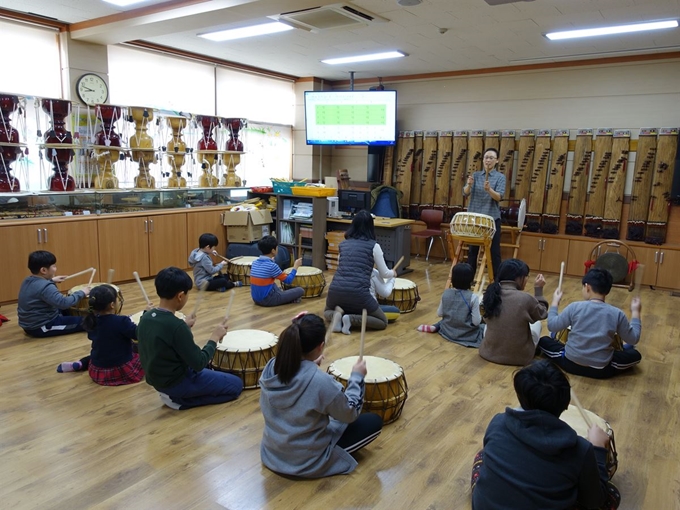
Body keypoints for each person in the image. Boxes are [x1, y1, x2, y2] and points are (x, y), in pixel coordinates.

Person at [470, 360, 620, 510]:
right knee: (611, 494)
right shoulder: (581, 449)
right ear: (566, 404)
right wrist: (598, 449)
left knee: (481, 456)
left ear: (520, 395)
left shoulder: (498, 422)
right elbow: (594, 501)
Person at [259, 312, 382, 478]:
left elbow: (297, 376)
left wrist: (309, 364)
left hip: (273, 453)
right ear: (320, 346)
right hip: (306, 463)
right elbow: (350, 413)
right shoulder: (321, 382)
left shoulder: (272, 365)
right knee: (373, 421)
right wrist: (357, 376)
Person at [137, 266, 243, 409]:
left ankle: (176, 395)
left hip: (159, 380)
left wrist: (184, 325)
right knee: (236, 385)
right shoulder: (176, 327)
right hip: (177, 383)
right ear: (180, 296)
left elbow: (164, 338)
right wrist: (214, 337)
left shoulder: (146, 317)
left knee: (214, 372)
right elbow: (198, 363)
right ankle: (180, 401)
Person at [538, 267, 642, 379]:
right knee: (635, 355)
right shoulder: (616, 313)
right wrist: (636, 311)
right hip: (601, 370)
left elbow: (552, 326)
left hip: (571, 364)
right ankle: (625, 349)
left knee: (544, 341)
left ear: (587, 287)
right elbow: (634, 338)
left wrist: (555, 302)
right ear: (607, 290)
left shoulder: (575, 307)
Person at [324, 210, 396, 334]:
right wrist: (393, 273)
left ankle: (337, 318)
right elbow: (384, 273)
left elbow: (342, 266)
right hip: (359, 294)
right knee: (382, 321)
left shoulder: (343, 244)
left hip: (335, 291)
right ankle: (351, 319)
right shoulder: (374, 246)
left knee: (326, 312)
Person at [57, 284, 145, 385]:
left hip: (97, 370)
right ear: (112, 305)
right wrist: (144, 317)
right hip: (120, 370)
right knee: (140, 351)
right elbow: (138, 334)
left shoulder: (91, 320)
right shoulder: (122, 321)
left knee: (102, 352)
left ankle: (81, 363)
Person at [479, 258, 548, 366]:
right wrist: (538, 290)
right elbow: (542, 313)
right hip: (520, 358)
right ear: (519, 278)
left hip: (487, 353)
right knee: (537, 324)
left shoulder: (489, 294)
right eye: (526, 276)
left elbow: (484, 318)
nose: (527, 279)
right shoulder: (525, 298)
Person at [17, 250, 90, 338]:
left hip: (30, 322)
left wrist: (52, 280)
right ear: (43, 270)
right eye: (54, 266)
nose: (55, 269)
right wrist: (82, 292)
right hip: (41, 326)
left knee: (69, 310)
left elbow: (40, 289)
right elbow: (64, 303)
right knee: (87, 321)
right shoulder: (46, 287)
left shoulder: (27, 280)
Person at [417, 262, 484, 347]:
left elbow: (439, 313)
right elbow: (476, 322)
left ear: (453, 278)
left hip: (447, 330)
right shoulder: (473, 297)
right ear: (471, 280)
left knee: (443, 321)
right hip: (466, 334)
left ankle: (435, 327)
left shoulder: (446, 293)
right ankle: (436, 327)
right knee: (483, 326)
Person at [463, 147, 506, 279]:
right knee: (472, 252)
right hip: (475, 218)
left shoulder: (500, 177)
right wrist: (469, 185)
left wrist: (489, 190)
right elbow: (465, 193)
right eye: (486, 157)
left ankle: (497, 282)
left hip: (491, 219)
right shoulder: (475, 175)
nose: (488, 160)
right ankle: (468, 280)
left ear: (497, 161)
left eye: (491, 158)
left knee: (494, 253)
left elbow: (499, 197)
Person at [250, 235, 304, 307]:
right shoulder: (272, 266)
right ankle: (289, 299)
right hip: (268, 300)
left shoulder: (254, 263)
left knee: (274, 285)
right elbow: (288, 280)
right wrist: (295, 267)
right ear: (273, 250)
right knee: (300, 290)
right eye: (277, 247)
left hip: (256, 299)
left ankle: (285, 296)